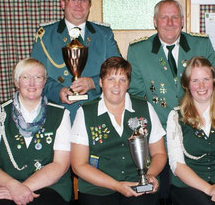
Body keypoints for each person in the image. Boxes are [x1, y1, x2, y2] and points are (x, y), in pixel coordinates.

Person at [127, 0, 215, 203]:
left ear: (183, 21)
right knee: (160, 196)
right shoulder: (138, 50)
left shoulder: (201, 44)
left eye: (175, 17)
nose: (170, 22)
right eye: (164, 17)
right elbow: (136, 98)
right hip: (159, 139)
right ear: (155, 21)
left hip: (197, 136)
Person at [0, 58, 72, 205]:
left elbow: (60, 164)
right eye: (25, 77)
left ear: (44, 83)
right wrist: (13, 186)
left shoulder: (61, 114)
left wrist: (22, 188)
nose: (32, 83)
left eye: (38, 78)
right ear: (17, 82)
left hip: (48, 185)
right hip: (1, 183)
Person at [70, 57, 167, 205]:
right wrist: (116, 185)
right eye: (111, 79)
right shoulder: (85, 112)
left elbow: (159, 153)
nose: (117, 85)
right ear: (101, 83)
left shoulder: (145, 107)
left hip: (139, 185)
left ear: (128, 84)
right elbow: (78, 165)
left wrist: (150, 175)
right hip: (97, 188)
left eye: (122, 80)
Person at [31, 0, 121, 122]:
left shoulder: (104, 34)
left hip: (97, 113)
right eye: (73, 0)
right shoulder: (45, 35)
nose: (79, 5)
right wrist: (58, 91)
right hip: (59, 114)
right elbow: (34, 76)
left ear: (89, 5)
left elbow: (118, 71)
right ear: (62, 3)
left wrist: (93, 83)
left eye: (84, 0)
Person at [166, 57, 215, 205]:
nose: (201, 85)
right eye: (195, 80)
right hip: (189, 186)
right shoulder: (175, 117)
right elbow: (177, 164)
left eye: (206, 79)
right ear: (187, 85)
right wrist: (209, 189)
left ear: (214, 81)